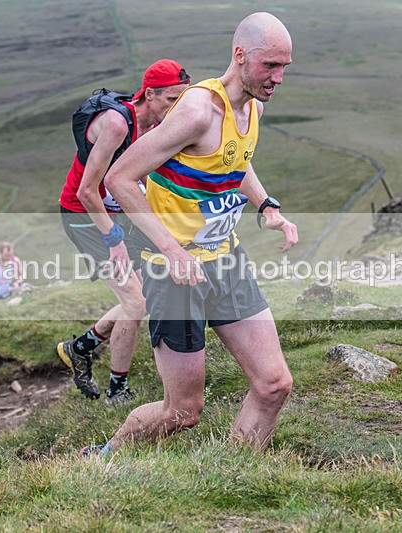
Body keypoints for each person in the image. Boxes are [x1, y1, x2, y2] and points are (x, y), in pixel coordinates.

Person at [89, 12, 297, 456]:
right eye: (270, 66)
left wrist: (267, 206)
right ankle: (103, 459)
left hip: (225, 262)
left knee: (274, 384)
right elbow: (120, 178)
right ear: (240, 56)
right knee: (182, 411)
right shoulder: (198, 109)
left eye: (284, 68)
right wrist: (171, 249)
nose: (278, 78)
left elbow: (233, 162)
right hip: (173, 273)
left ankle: (233, 474)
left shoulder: (253, 106)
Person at [56, 59, 191, 406]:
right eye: (171, 100)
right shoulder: (117, 125)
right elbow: (88, 192)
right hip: (86, 216)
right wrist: (113, 239)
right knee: (135, 301)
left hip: (120, 213)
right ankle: (118, 391)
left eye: (183, 99)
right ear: (149, 94)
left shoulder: (157, 128)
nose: (177, 109)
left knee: (158, 281)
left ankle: (80, 347)